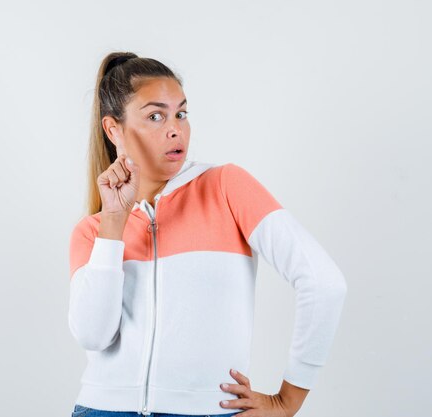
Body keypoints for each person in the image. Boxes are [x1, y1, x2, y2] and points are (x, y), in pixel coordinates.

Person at [67, 51, 348, 417]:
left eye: (180, 114)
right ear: (113, 129)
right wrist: (114, 224)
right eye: (156, 116)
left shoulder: (226, 188)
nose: (175, 129)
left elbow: (324, 282)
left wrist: (287, 401)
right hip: (102, 409)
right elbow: (93, 335)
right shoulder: (93, 232)